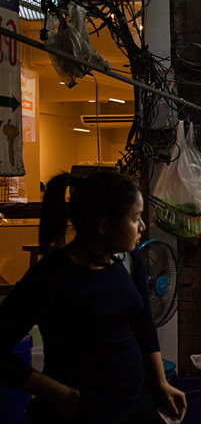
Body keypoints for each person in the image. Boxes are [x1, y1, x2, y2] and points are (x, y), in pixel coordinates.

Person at [0, 172, 186, 423]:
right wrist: (64, 396)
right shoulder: (51, 275)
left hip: (136, 405)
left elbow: (144, 323)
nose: (142, 226)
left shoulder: (128, 258)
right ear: (104, 226)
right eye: (135, 218)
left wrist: (161, 383)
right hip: (83, 414)